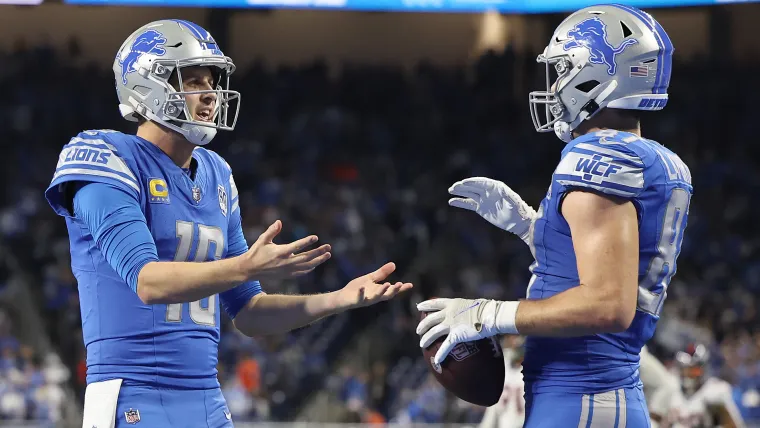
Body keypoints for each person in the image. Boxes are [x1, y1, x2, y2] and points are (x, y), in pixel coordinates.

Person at [44, 19, 412, 428]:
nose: (210, 95)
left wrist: (338, 300)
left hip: (206, 397)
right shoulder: (105, 156)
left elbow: (249, 312)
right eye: (193, 80)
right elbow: (148, 282)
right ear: (147, 83)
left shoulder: (216, 174)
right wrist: (246, 266)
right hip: (132, 393)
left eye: (213, 81)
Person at [415, 4, 691, 426]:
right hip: (596, 394)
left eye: (563, 68)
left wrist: (489, 313)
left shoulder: (597, 154)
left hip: (582, 397)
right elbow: (605, 267)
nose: (556, 82)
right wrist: (532, 227)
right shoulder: (656, 160)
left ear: (597, 73)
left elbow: (607, 304)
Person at [664, 344, 745, 428]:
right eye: (685, 370)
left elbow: (734, 426)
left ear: (703, 369)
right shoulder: (671, 386)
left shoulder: (713, 391)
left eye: (694, 370)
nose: (689, 374)